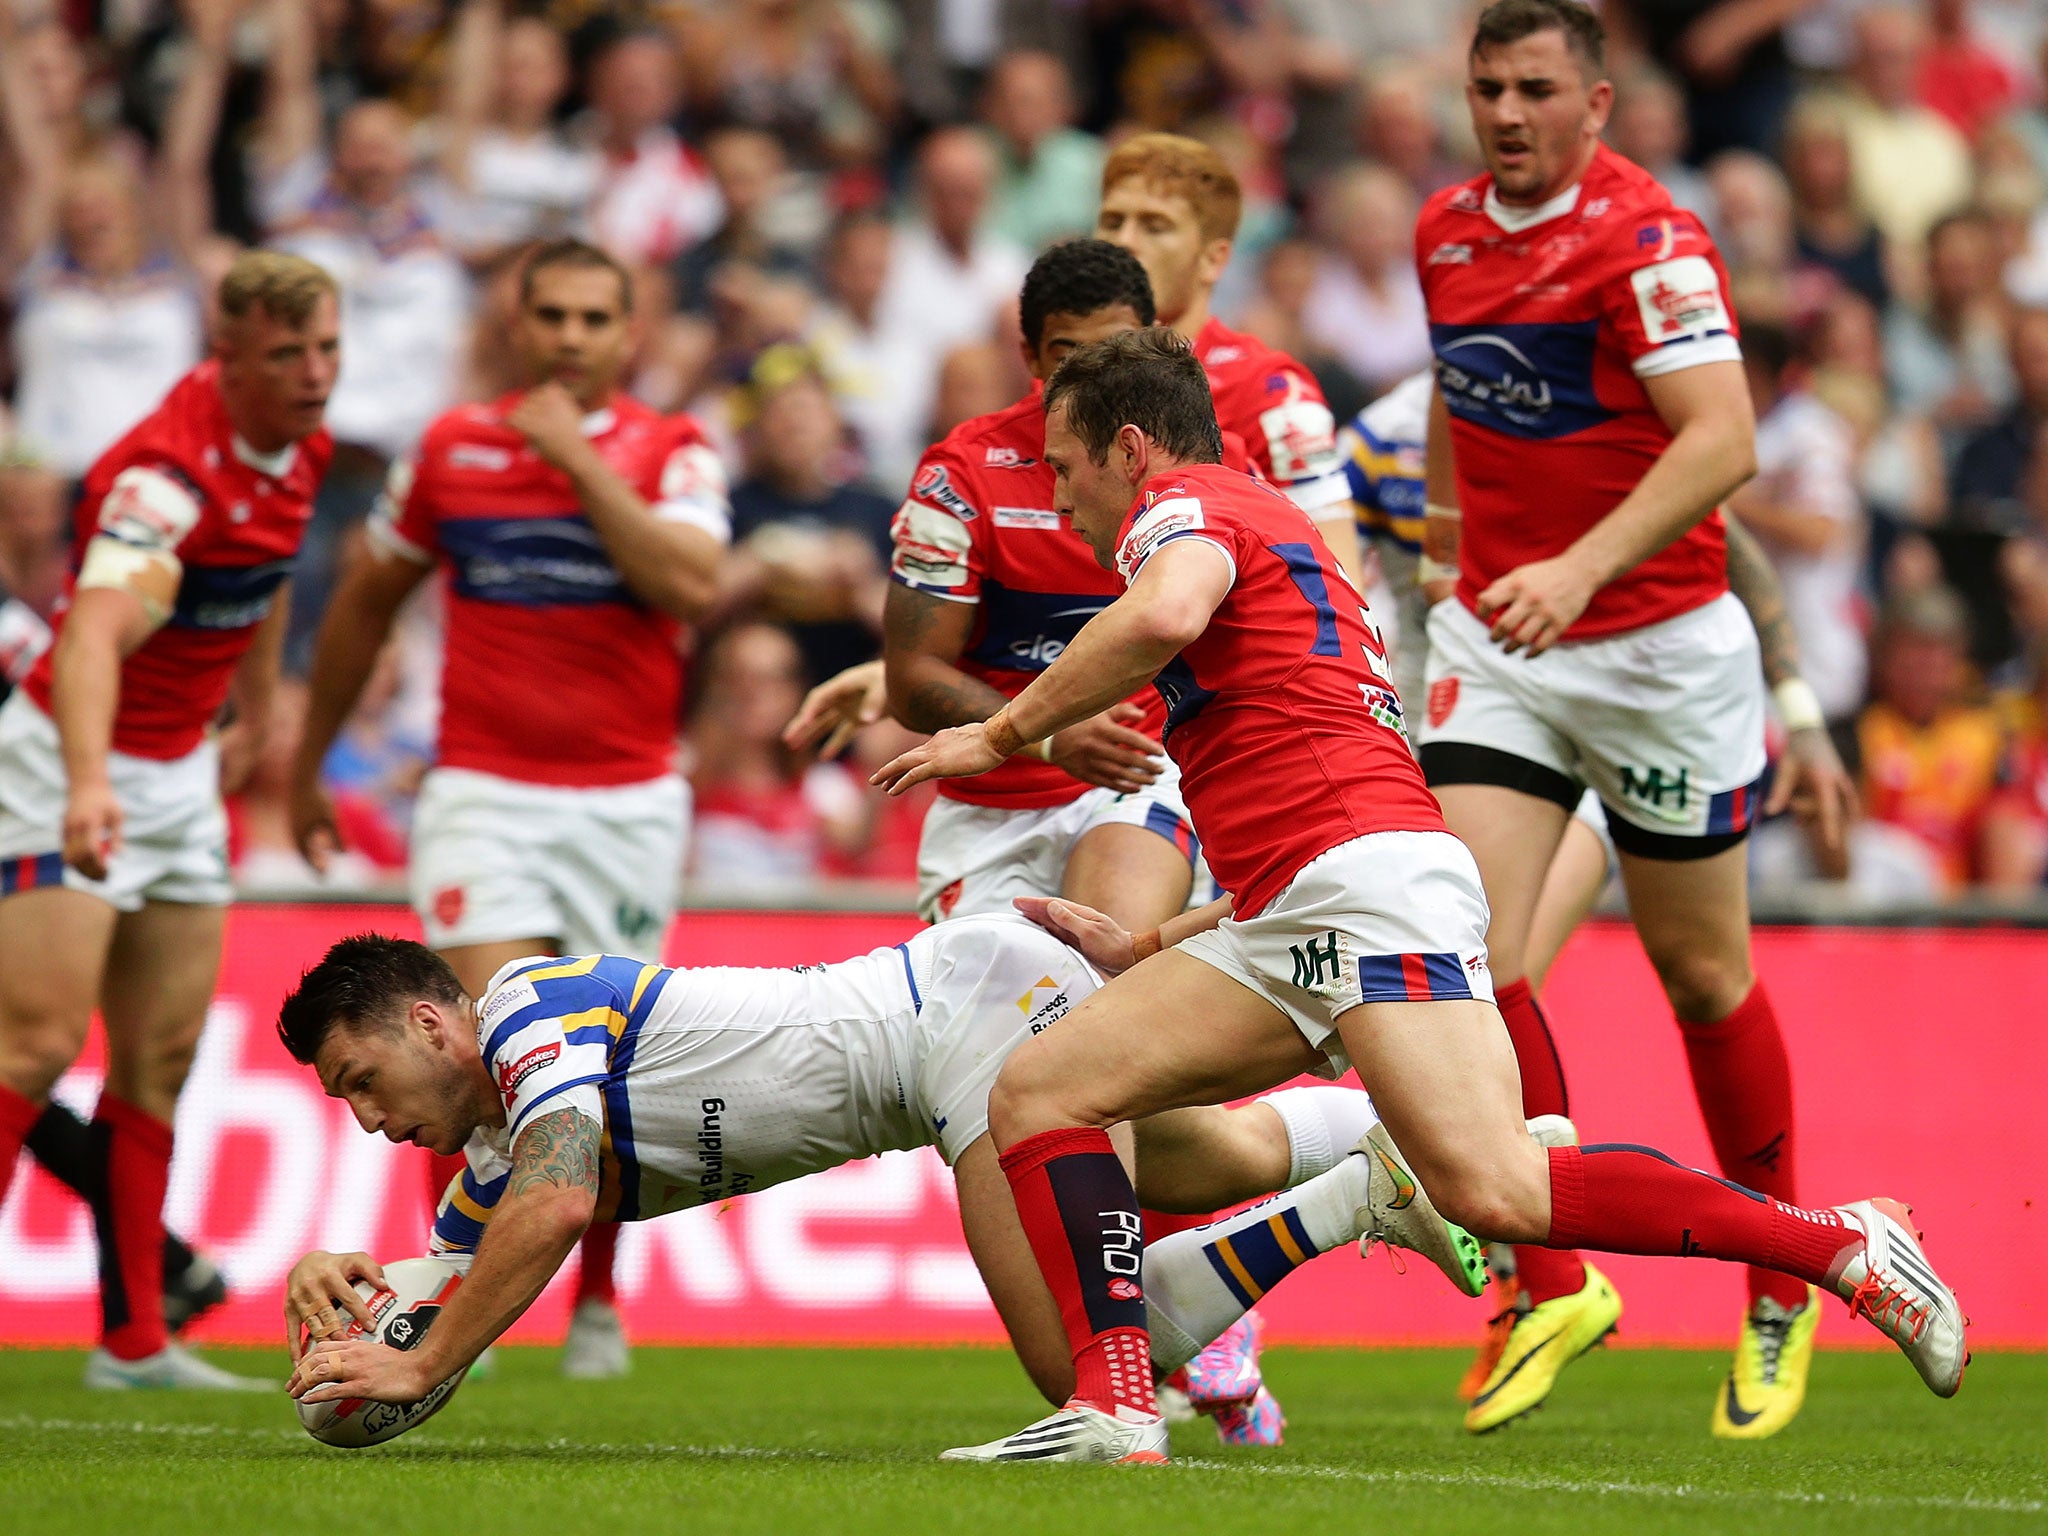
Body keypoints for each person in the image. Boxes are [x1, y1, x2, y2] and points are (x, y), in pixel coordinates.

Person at [870, 325, 1962, 1466]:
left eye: (1063, 465)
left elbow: (1158, 619)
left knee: (1493, 1183)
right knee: (1043, 1091)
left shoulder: (1183, 512)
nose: (1056, 495)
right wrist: (1148, 941)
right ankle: (1116, 1406)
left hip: (1356, 888)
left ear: (1130, 450)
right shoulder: (1264, 523)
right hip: (1306, 898)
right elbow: (1295, 806)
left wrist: (994, 733)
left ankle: (1835, 1244)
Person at [1413, 0, 1862, 1440]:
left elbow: (1723, 440)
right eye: (1488, 86)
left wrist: (1584, 562)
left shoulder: (1650, 242)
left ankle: (1782, 1277)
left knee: (1702, 979)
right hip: (1505, 641)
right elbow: (1458, 392)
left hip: (1661, 652)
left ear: (1597, 104)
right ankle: (1552, 1280)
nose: (1506, 111)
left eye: (1536, 88)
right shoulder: (1444, 231)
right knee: (1458, 957)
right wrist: (1446, 548)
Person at [276, 922, 1477, 1417]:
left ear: (433, 1027)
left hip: (970, 1016)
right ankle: (1454, 1144)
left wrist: (429, 1355)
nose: (368, 1122)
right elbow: (450, 1269)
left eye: (361, 1081)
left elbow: (558, 1201)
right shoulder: (493, 1160)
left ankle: (1356, 1199)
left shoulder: (530, 1009)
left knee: (1078, 1365)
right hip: (951, 1033)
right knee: (1214, 1159)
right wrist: (352, 1285)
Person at [287, 237, 729, 1379]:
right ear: (515, 327)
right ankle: (450, 1300)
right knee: (473, 1038)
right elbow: (362, 600)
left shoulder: (673, 453)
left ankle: (594, 1301)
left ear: (627, 335)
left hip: (627, 799)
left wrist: (577, 461)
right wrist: (308, 760)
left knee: (600, 1065)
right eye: (552, 317)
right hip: (483, 788)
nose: (571, 337)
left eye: (595, 318)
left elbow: (690, 587)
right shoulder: (449, 449)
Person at [0, 250, 340, 1389]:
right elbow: (93, 634)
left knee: (162, 1055)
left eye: (327, 349)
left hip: (182, 766)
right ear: (227, 355)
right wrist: (90, 780)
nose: (314, 374)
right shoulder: (164, 478)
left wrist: (255, 700)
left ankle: (134, 1340)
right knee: (36, 1048)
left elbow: (273, 561)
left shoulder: (301, 448)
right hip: (66, 756)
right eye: (287, 354)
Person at [1093, 132, 1349, 520]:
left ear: (1213, 259)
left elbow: (1335, 567)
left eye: (1155, 226)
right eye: (1112, 221)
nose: (1124, 242)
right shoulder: (1063, 374)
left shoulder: (1271, 393)